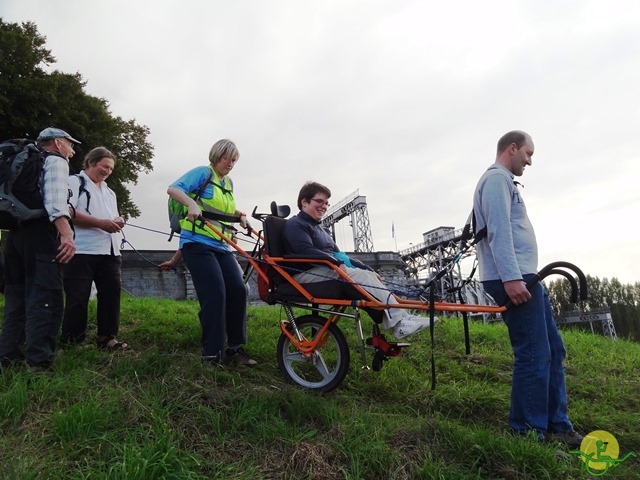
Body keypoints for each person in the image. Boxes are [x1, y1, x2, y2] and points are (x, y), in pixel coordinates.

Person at [473, 130, 583, 447]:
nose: (530, 161)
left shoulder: (505, 182)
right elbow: (498, 231)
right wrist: (510, 277)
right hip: (515, 279)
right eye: (528, 154)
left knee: (552, 349)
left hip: (525, 276)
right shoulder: (496, 180)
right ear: (512, 148)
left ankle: (558, 426)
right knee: (533, 353)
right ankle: (527, 433)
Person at [282, 181, 433, 339]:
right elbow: (305, 251)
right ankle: (399, 323)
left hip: (324, 268)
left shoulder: (321, 229)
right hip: (303, 273)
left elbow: (340, 255)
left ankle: (403, 318)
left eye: (326, 203)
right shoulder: (296, 225)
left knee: (367, 275)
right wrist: (334, 263)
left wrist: (369, 269)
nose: (324, 206)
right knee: (361, 276)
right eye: (319, 201)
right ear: (304, 202)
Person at [167, 138, 256, 366]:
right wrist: (191, 204)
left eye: (234, 160)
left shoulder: (228, 183)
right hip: (197, 244)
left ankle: (234, 349)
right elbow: (173, 188)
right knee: (215, 294)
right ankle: (211, 354)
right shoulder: (201, 173)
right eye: (227, 158)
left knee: (238, 290)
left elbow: (221, 209)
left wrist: (240, 216)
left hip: (221, 245)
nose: (230, 163)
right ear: (217, 156)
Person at [0, 127, 78, 372]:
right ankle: (39, 363)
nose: (72, 151)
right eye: (70, 144)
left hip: (14, 235)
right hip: (40, 236)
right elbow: (55, 202)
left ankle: (7, 358)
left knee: (16, 298)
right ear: (56, 143)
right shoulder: (54, 161)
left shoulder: (21, 164)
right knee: (46, 297)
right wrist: (66, 234)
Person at [60, 147, 128, 350]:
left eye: (111, 168)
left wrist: (118, 221)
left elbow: (110, 218)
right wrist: (100, 223)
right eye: (104, 166)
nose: (108, 171)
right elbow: (67, 212)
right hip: (82, 248)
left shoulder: (110, 192)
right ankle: (73, 340)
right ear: (90, 163)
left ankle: (107, 337)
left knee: (111, 294)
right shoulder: (74, 182)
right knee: (78, 296)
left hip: (109, 250)